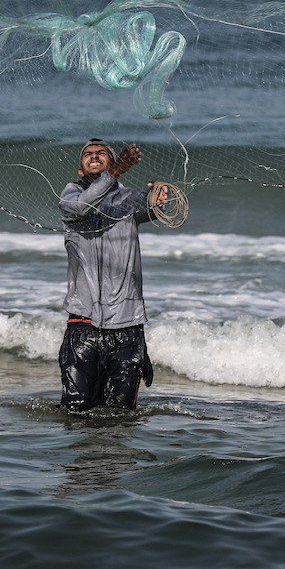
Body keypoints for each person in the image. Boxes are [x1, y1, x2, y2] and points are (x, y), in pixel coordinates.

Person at [58, 138, 170, 411]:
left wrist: (160, 195)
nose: (94, 156)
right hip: (83, 326)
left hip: (128, 329)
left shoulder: (128, 200)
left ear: (110, 161)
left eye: (101, 154)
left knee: (121, 417)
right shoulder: (70, 198)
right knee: (75, 415)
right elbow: (84, 207)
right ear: (81, 171)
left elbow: (155, 208)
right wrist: (116, 170)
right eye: (88, 154)